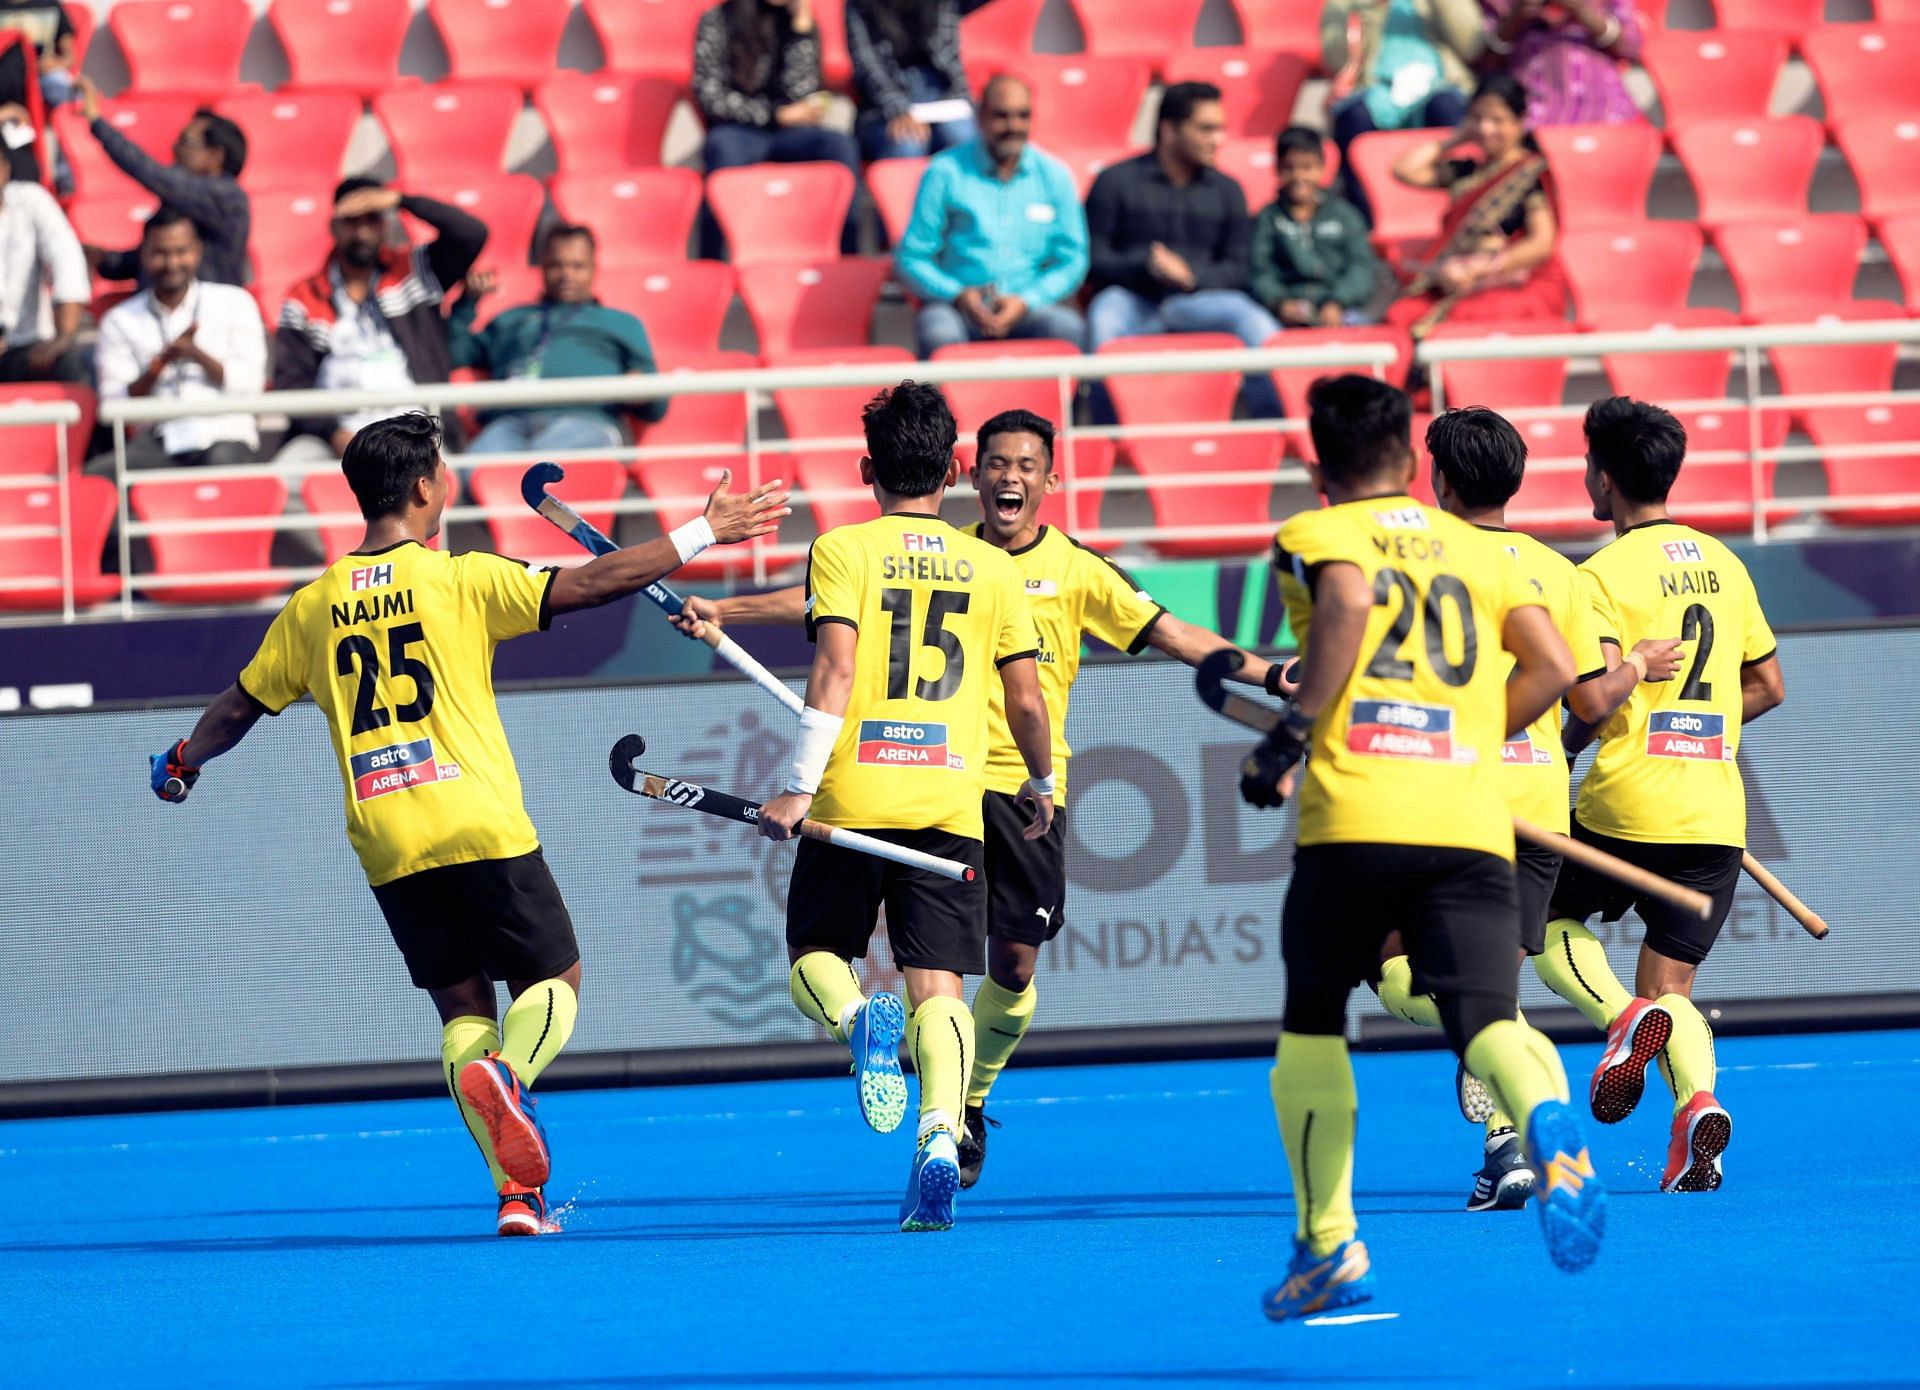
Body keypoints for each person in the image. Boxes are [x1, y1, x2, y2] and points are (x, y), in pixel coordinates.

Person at [148, 412, 790, 1237]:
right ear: (425, 487)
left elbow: (239, 708)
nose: (448, 482)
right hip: (477, 822)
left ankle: (518, 1198)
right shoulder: (459, 579)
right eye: (444, 471)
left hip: (387, 838)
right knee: (556, 983)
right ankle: (511, 1079)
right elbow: (591, 583)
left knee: (461, 1015)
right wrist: (704, 528)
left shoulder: (311, 607)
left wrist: (183, 760)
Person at [672, 407, 1290, 1187]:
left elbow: (1170, 635)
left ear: (1050, 479)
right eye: (996, 463)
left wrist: (1267, 673)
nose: (1009, 477)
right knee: (938, 976)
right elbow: (818, 604)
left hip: (1011, 787)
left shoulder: (1076, 569)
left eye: (1026, 465)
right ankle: (945, 1108)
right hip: (957, 784)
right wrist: (728, 610)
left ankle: (964, 1096)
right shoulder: (962, 559)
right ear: (966, 471)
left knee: (1016, 966)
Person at [1239, 373, 1602, 1320]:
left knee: (1314, 1024)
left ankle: (1327, 1245)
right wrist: (1476, 741)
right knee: (1487, 1016)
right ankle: (1549, 1134)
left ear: (1320, 463)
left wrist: (1289, 736)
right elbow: (1556, 668)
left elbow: (1351, 607)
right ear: (1411, 459)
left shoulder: (1313, 536)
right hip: (1470, 821)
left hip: (1358, 820)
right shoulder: (1483, 553)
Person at [754, 382, 1054, 1234]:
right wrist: (1038, 783)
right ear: (958, 470)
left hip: (852, 797)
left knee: (816, 952)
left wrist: (800, 785)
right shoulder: (995, 567)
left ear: (865, 469)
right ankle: (937, 1134)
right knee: (941, 989)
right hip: (948, 800)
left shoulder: (841, 547)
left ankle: (856, 1025)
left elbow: (836, 673)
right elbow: (1026, 700)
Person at [1369, 407, 1682, 1211]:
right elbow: (1594, 702)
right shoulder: (1562, 574)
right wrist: (1638, 666)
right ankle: (1507, 1149)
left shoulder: (1415, 565)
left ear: (1437, 480)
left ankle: (1496, 1098)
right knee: (1500, 985)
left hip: (1445, 798)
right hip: (1540, 800)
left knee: (1389, 964)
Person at [1530, 396, 1785, 1194]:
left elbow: (1594, 700)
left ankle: (1619, 1021)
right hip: (1714, 812)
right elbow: (1768, 686)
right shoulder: (1727, 562)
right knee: (1672, 987)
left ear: (1603, 479)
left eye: (1585, 466)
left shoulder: (1599, 574)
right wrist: (1701, 721)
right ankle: (1697, 1109)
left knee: (1540, 921)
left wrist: (1571, 744)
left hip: (1625, 804)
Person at [1084, 82, 1282, 417]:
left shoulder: (1228, 190)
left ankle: (1276, 429)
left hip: (1200, 301)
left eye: (1219, 129)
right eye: (1206, 128)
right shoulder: (1115, 182)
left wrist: (1191, 276)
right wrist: (1145, 265)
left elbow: (1239, 268)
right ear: (1169, 130)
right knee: (1103, 320)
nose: (1217, 139)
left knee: (1255, 321)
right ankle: (1108, 437)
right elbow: (1093, 262)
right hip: (1134, 300)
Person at [274, 178, 488, 460]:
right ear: (333, 226)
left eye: (373, 219)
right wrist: (332, 433)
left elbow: (472, 233)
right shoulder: (303, 295)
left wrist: (400, 200)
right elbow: (292, 384)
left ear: (386, 224)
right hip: (335, 433)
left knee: (449, 485)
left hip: (416, 428)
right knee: (285, 478)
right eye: (351, 221)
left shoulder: (417, 270)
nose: (363, 232)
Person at [895, 74, 1088, 357]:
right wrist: (958, 294)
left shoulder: (1054, 176)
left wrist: (1027, 300)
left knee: (1067, 328)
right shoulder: (945, 172)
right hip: (957, 308)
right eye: (1002, 116)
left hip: (1028, 307)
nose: (1013, 126)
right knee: (938, 331)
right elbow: (911, 257)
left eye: (1022, 116)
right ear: (980, 116)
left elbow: (1073, 259)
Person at [449, 225, 665, 459]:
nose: (566, 275)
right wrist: (467, 302)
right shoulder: (510, 319)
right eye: (556, 265)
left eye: (577, 266)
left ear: (594, 269)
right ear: (541, 268)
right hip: (508, 424)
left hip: (586, 421)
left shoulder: (622, 323)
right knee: (464, 475)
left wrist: (642, 392)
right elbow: (452, 354)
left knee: (542, 465)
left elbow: (656, 408)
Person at [89, 207, 268, 475]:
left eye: (181, 251)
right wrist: (158, 366)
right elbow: (113, 407)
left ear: (197, 251)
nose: (172, 263)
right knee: (100, 478)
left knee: (223, 466)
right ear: (144, 255)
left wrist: (196, 354)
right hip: (160, 437)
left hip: (225, 430)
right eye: (160, 253)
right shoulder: (119, 320)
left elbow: (251, 386)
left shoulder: (235, 302)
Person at [1386, 74, 1566, 339]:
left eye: (1497, 120)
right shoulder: (1468, 171)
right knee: (1401, 314)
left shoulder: (1530, 173)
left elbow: (1542, 242)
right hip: (1459, 279)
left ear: (1520, 122)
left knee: (1462, 318)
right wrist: (1457, 138)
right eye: (1477, 118)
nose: (1485, 128)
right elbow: (1404, 170)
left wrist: (1482, 267)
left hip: (1512, 280)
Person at [694, 0, 861, 258]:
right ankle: (712, 261)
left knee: (840, 145)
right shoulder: (718, 19)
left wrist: (802, 30)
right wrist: (773, 115)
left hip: (790, 133)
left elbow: (802, 91)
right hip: (741, 129)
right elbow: (710, 95)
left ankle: (847, 256)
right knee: (722, 148)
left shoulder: (797, 19)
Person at [77, 77, 250, 289]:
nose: (175, 149)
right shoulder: (185, 201)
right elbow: (154, 262)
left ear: (215, 156)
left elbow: (150, 173)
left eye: (186, 142)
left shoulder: (226, 197)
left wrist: (96, 121)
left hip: (210, 315)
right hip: (161, 312)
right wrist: (105, 259)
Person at [1321, 0, 1481, 225]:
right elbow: (1336, 59)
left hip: (1438, 83)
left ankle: (1460, 211)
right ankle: (1365, 222)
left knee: (1447, 109)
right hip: (1374, 87)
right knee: (1353, 118)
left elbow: (1471, 45)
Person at [1249, 127, 1379, 330]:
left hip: (1343, 310)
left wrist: (1337, 302)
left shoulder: (1345, 216)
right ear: (1277, 170)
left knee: (1369, 334)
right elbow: (1259, 270)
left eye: (1307, 167)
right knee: (1259, 331)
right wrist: (1280, 303)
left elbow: (1361, 267)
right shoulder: (1268, 218)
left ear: (1321, 168)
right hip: (1283, 314)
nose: (1298, 176)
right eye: (1288, 168)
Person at [847, 0, 984, 161]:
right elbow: (867, 63)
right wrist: (898, 110)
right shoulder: (860, 5)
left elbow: (950, 58)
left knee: (962, 137)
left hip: (942, 94)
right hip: (883, 105)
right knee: (907, 145)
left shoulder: (943, 4)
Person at [1482, 0, 1643, 127]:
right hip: (1534, 112)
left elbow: (1632, 47)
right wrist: (1516, 16)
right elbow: (1486, 63)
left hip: (1604, 110)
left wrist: (1582, 10)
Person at [0, 157, 86, 382]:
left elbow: (66, 258)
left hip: (29, 347)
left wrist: (64, 337)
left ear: (5, 167)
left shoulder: (30, 199)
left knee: (67, 359)